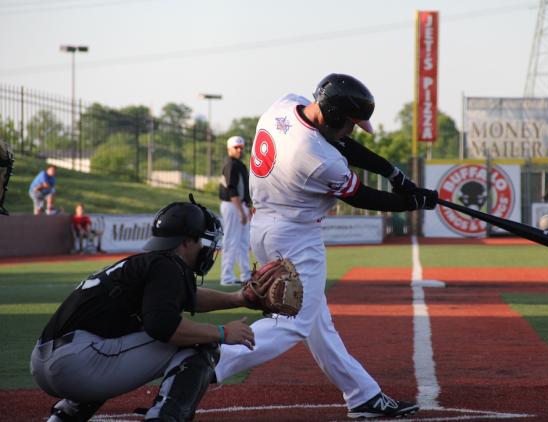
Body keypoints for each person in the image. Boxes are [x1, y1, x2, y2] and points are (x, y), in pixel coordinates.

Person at [214, 73, 438, 419]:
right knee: (294, 323)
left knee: (319, 323)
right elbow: (362, 194)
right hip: (296, 237)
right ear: (334, 117)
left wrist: (393, 173)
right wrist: (413, 202)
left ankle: (363, 394)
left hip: (266, 227)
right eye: (350, 123)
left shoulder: (284, 105)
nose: (351, 130)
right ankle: (210, 361)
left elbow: (342, 144)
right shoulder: (318, 157)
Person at [31, 196, 256, 422]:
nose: (206, 249)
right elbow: (163, 326)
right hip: (78, 364)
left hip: (50, 361)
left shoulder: (150, 263)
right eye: (203, 242)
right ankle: (163, 417)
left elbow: (188, 299)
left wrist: (239, 299)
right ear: (187, 241)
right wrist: (223, 333)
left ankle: (64, 416)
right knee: (201, 342)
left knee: (126, 332)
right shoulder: (168, 267)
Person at [219, 136, 252, 286]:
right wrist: (240, 211)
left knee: (243, 242)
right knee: (231, 241)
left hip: (240, 205)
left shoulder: (238, 164)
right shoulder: (231, 164)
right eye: (236, 147)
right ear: (229, 149)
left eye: (241, 147)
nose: (239, 150)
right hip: (232, 205)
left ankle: (246, 275)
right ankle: (226, 277)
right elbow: (231, 189)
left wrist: (247, 207)